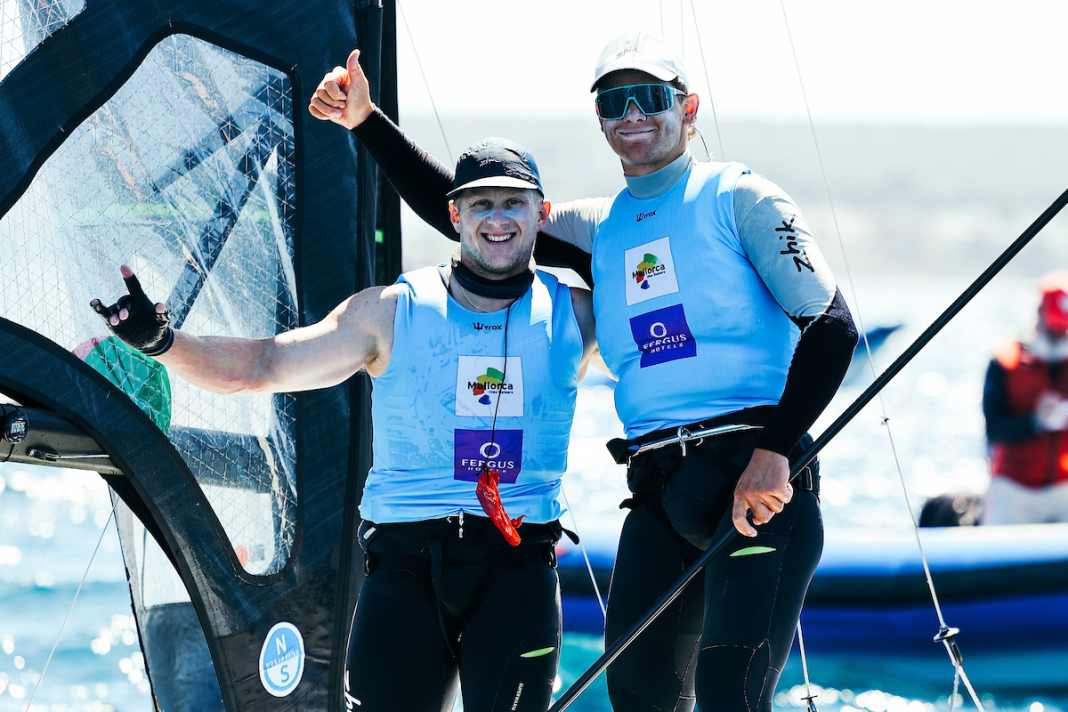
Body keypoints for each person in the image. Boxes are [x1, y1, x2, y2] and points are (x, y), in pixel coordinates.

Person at [310, 33, 856, 712]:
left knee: (731, 695)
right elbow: (470, 216)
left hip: (756, 476)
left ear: (687, 108)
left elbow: (832, 326)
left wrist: (774, 453)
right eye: (614, 102)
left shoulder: (738, 196)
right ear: (600, 120)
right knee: (638, 694)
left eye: (650, 97)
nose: (633, 114)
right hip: (659, 487)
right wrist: (366, 121)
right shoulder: (601, 227)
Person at [89, 139, 598, 712]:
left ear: (541, 213)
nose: (497, 219)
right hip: (407, 569)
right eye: (481, 204)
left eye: (513, 203)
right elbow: (265, 364)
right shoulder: (391, 311)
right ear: (454, 214)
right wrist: (164, 344)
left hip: (518, 568)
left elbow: (666, 363)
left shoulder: (578, 314)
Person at [982, 271, 1068, 524]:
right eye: (1054, 329)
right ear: (1039, 316)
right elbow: (994, 428)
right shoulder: (1005, 362)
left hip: (1063, 487)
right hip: (1012, 488)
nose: (1060, 335)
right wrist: (1035, 422)